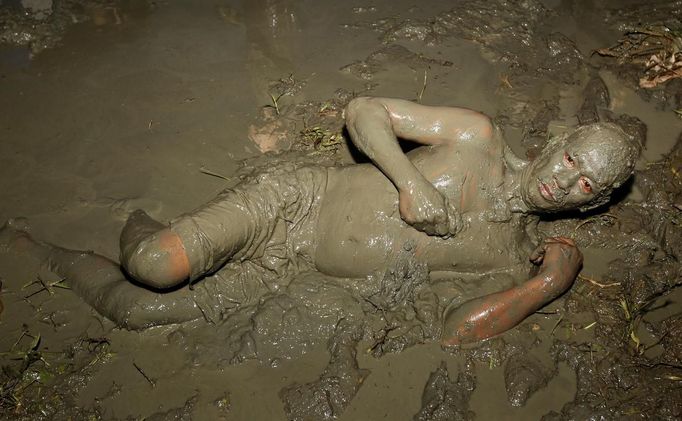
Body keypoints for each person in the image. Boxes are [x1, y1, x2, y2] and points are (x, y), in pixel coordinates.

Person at [0, 97, 640, 345]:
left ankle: (31, 246)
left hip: (298, 279)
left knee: (135, 312)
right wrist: (411, 181)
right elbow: (364, 112)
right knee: (152, 268)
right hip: (293, 204)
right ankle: (137, 221)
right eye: (572, 157)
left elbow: (456, 331)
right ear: (559, 140)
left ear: (590, 203)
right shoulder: (478, 138)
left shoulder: (510, 257)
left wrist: (547, 285)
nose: (565, 176)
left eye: (587, 182)